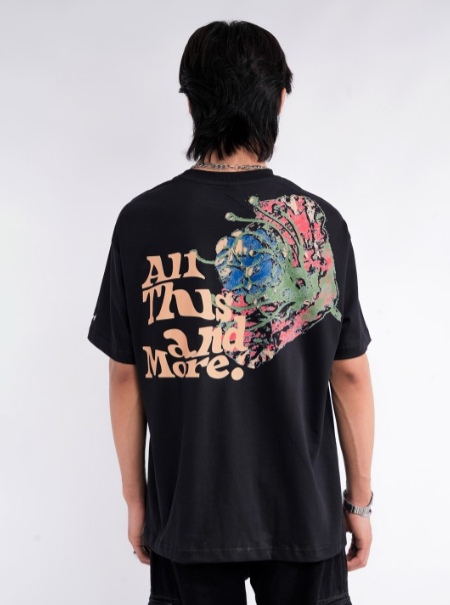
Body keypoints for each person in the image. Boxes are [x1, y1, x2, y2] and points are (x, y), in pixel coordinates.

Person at [87, 19, 375, 605]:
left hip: (188, 514)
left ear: (191, 103)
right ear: (280, 99)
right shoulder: (320, 222)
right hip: (304, 513)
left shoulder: (140, 221)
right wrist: (359, 501)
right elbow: (348, 373)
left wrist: (136, 500)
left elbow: (125, 375)